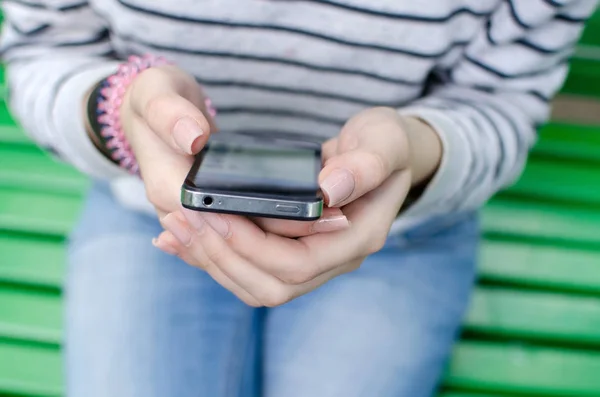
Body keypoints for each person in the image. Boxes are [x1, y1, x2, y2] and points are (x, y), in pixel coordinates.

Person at [1, 0, 597, 396]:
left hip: (401, 228)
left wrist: (415, 151)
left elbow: (499, 101)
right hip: (156, 216)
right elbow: (42, 51)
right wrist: (121, 110)